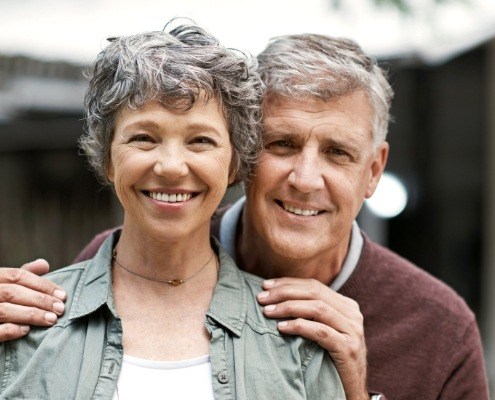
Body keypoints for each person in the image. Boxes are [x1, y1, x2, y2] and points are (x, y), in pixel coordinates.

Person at [0, 32, 489, 400]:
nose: (305, 178)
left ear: (374, 170)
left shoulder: (440, 330)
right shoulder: (125, 264)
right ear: (246, 155)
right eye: (283, 144)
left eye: (338, 152)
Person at [0, 24, 346, 399]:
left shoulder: (297, 343)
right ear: (108, 159)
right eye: (143, 138)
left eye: (200, 141)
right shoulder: (22, 325)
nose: (171, 167)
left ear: (233, 165)